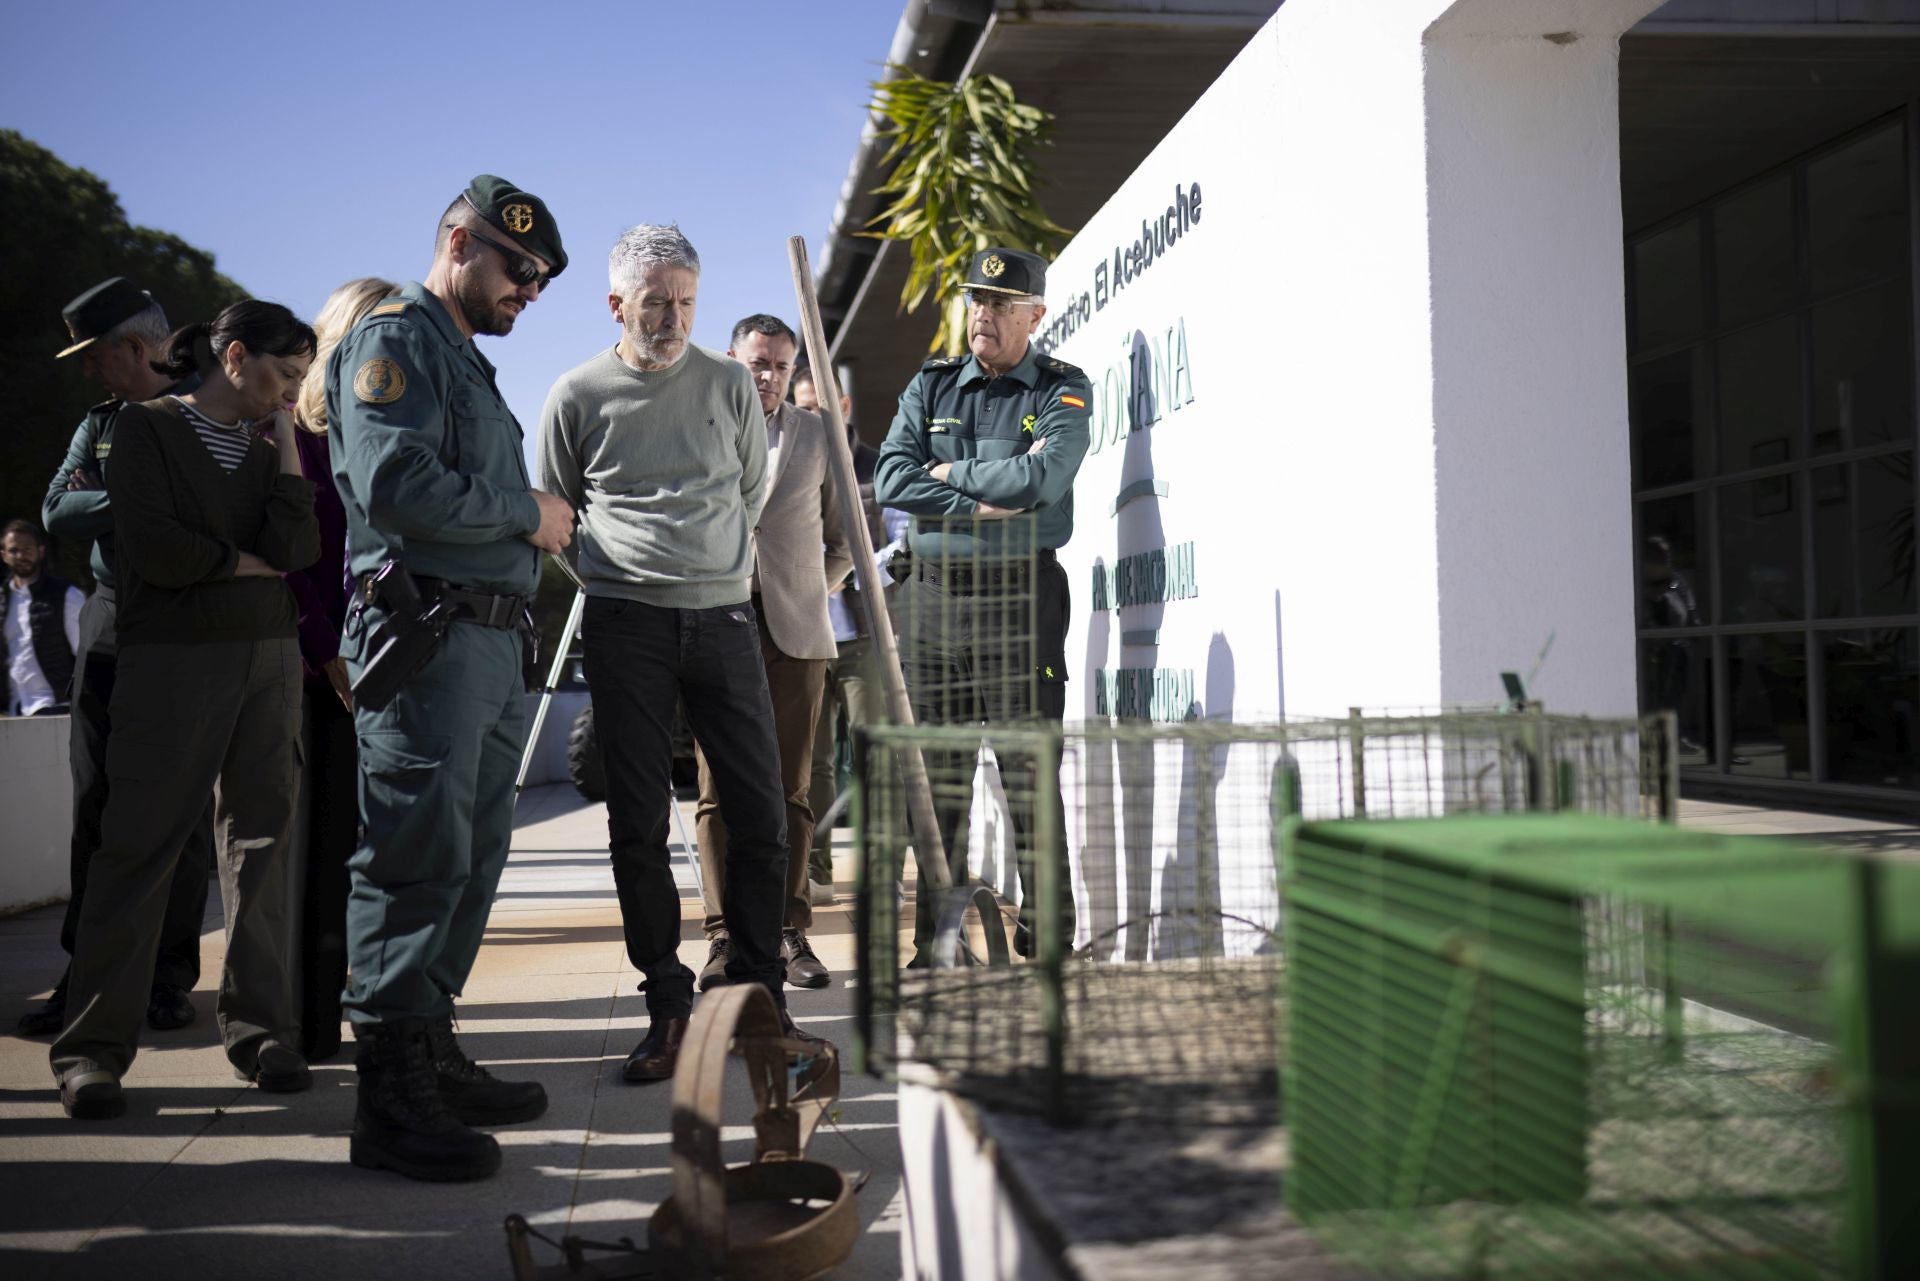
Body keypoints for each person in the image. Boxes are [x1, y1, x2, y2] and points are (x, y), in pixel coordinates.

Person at [538, 224, 824, 1084]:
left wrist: (705, 564)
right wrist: (622, 566)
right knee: (636, 822)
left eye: (688, 301)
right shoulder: (576, 393)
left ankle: (760, 998)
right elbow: (558, 509)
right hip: (625, 624)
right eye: (656, 301)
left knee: (764, 815)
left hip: (725, 619)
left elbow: (744, 487)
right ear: (617, 302)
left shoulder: (730, 384)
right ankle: (667, 1005)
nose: (673, 316)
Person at [329, 176, 573, 1183]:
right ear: (461, 243)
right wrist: (525, 512)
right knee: (414, 856)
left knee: (468, 859)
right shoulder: (397, 341)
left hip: (484, 643)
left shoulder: (464, 364)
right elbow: (395, 484)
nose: (530, 290)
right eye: (521, 270)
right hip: (425, 639)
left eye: (544, 281)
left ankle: (429, 1046)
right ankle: (390, 1096)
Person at [51, 301, 322, 1120]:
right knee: (139, 849)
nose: (290, 395)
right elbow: (160, 553)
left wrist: (282, 451)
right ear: (233, 356)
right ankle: (92, 1049)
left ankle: (260, 1030)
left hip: (271, 665)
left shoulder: (272, 440)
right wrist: (243, 562)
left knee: (265, 848)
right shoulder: (144, 429)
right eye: (282, 376)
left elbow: (297, 552)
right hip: (172, 664)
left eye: (303, 380)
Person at [873, 248, 1092, 965]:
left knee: (1030, 774)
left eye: (1000, 304)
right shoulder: (933, 384)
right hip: (932, 603)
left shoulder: (1061, 388)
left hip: (1020, 600)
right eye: (976, 300)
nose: (983, 315)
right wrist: (981, 498)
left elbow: (1045, 476)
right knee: (935, 782)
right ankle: (937, 944)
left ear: (1035, 315)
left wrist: (948, 478)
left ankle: (1049, 938)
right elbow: (892, 477)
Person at [28, 278, 213, 1038]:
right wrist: (143, 496)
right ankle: (91, 970)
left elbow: (216, 508)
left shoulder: (213, 409)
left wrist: (120, 495)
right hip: (110, 617)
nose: (86, 372)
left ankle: (169, 976)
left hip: (188, 619)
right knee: (96, 803)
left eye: (94, 355)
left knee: (182, 812)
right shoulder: (98, 423)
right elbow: (56, 510)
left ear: (136, 348)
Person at [689, 316, 850, 993]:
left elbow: (842, 541)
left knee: (792, 789)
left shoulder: (817, 435)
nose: (770, 377)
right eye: (759, 363)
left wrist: (809, 590)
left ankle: (789, 929)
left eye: (782, 366)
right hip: (713, 623)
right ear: (732, 358)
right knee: (717, 791)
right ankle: (724, 937)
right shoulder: (696, 422)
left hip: (796, 634)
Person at [288, 276, 399, 1062]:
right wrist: (327, 651)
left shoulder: (381, 425)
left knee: (375, 853)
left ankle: (377, 1013)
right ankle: (308, 1022)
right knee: (315, 859)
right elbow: (293, 563)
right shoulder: (290, 433)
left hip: (379, 669)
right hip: (314, 672)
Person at [792, 369, 892, 901]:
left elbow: (902, 542)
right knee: (813, 763)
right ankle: (816, 871)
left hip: (861, 636)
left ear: (844, 405)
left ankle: (882, 874)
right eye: (802, 408)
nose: (810, 418)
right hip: (802, 633)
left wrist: (848, 570)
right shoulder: (784, 462)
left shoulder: (878, 467)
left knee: (875, 753)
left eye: (820, 408)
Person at [3, 521, 82, 716]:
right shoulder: (2, 599)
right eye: (14, 550)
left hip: (56, 706)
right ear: (3, 555)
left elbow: (86, 655)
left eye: (27, 549)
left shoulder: (67, 595)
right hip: (12, 711)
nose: (21, 556)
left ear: (41, 551)